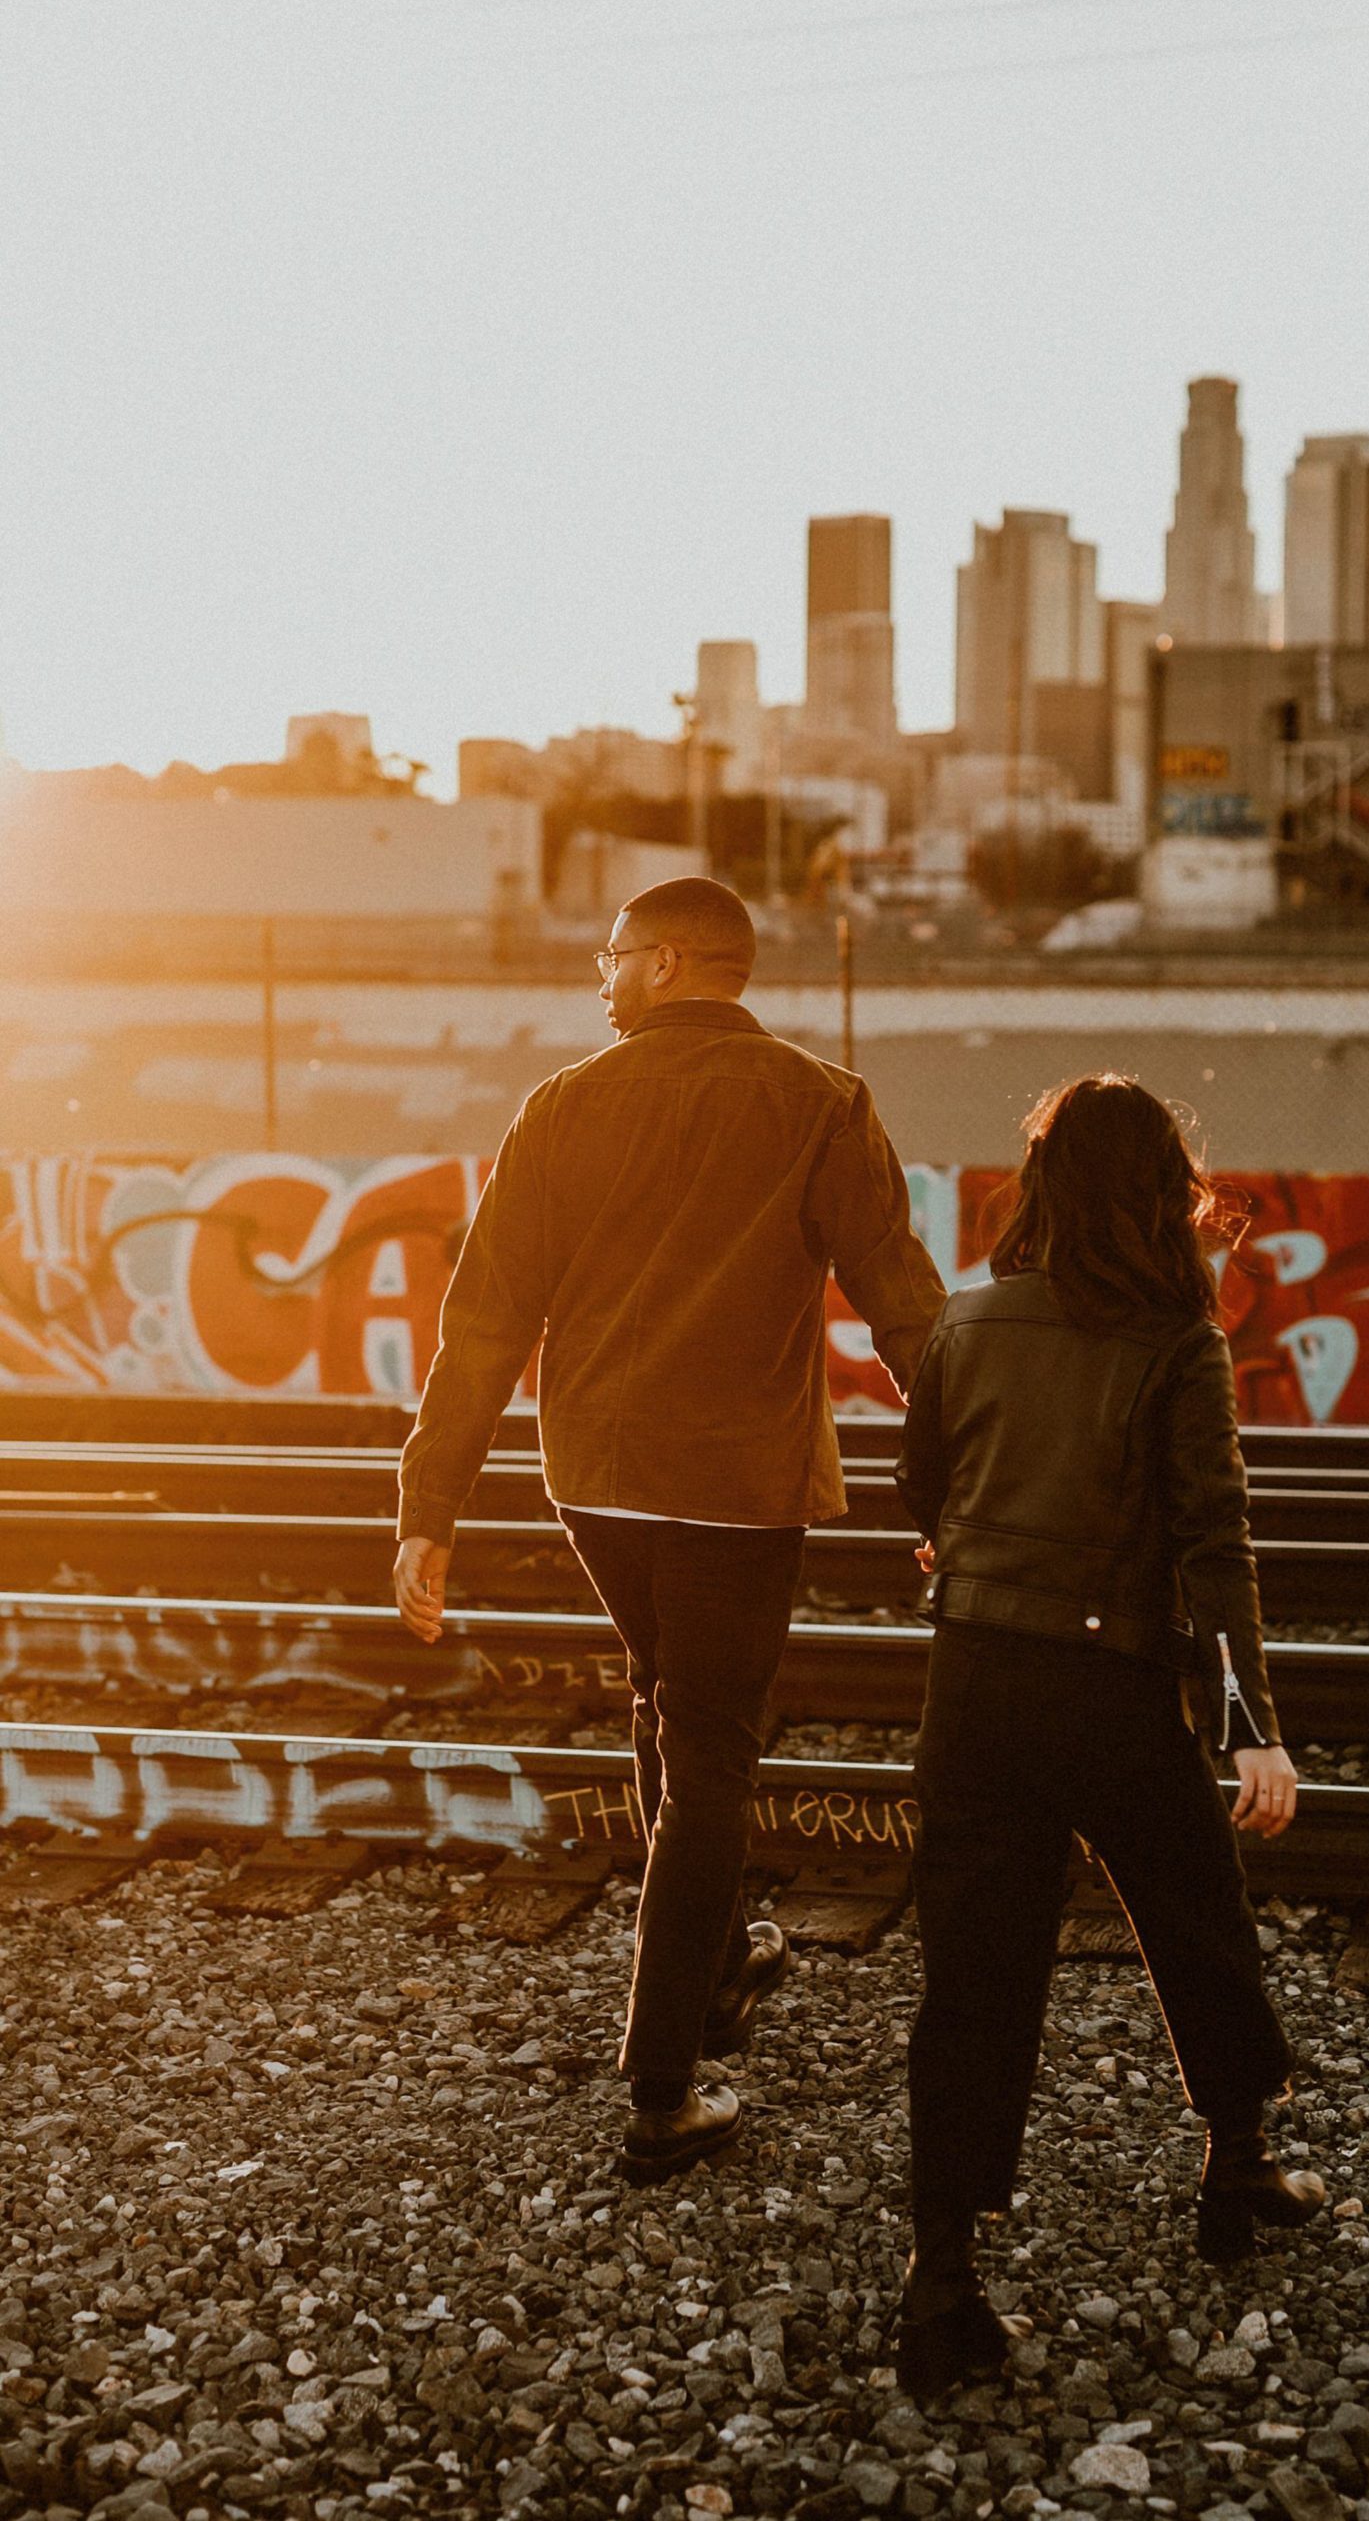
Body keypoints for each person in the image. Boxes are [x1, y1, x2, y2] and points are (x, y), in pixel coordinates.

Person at [392, 876, 946, 2185]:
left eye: (614, 954)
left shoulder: (561, 1106)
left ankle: (718, 1963)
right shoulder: (820, 1102)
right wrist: (965, 1477)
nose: (600, 974)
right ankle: (662, 2084)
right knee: (709, 1752)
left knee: (668, 1706)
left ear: (671, 962)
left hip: (594, 1477)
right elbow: (904, 1307)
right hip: (736, 1484)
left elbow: (484, 1323)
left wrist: (430, 1506)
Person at [893, 1074, 1326, 2400]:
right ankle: (1239, 2166)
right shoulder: (1176, 1340)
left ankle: (942, 2280)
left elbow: (920, 1489)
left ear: (1041, 1190)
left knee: (973, 1975)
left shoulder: (964, 1323)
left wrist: (973, 1552)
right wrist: (1250, 1731)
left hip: (974, 1685)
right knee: (1197, 1913)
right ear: (1159, 1194)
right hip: (1114, 1691)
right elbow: (1213, 1544)